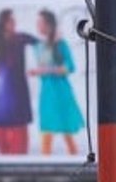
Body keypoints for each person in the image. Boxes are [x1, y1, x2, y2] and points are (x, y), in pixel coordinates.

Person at [0, 9, 37, 156]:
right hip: (3, 89)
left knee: (19, 122)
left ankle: (19, 159)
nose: (13, 23)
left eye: (14, 20)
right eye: (9, 20)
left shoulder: (21, 38)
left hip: (18, 87)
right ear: (3, 23)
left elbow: (40, 44)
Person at [30, 9, 84, 156]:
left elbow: (70, 67)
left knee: (66, 128)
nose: (37, 25)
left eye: (40, 22)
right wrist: (37, 71)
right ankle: (45, 163)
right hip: (46, 92)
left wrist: (46, 70)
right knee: (47, 127)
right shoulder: (40, 46)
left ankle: (74, 162)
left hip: (60, 91)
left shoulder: (61, 44)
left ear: (48, 24)